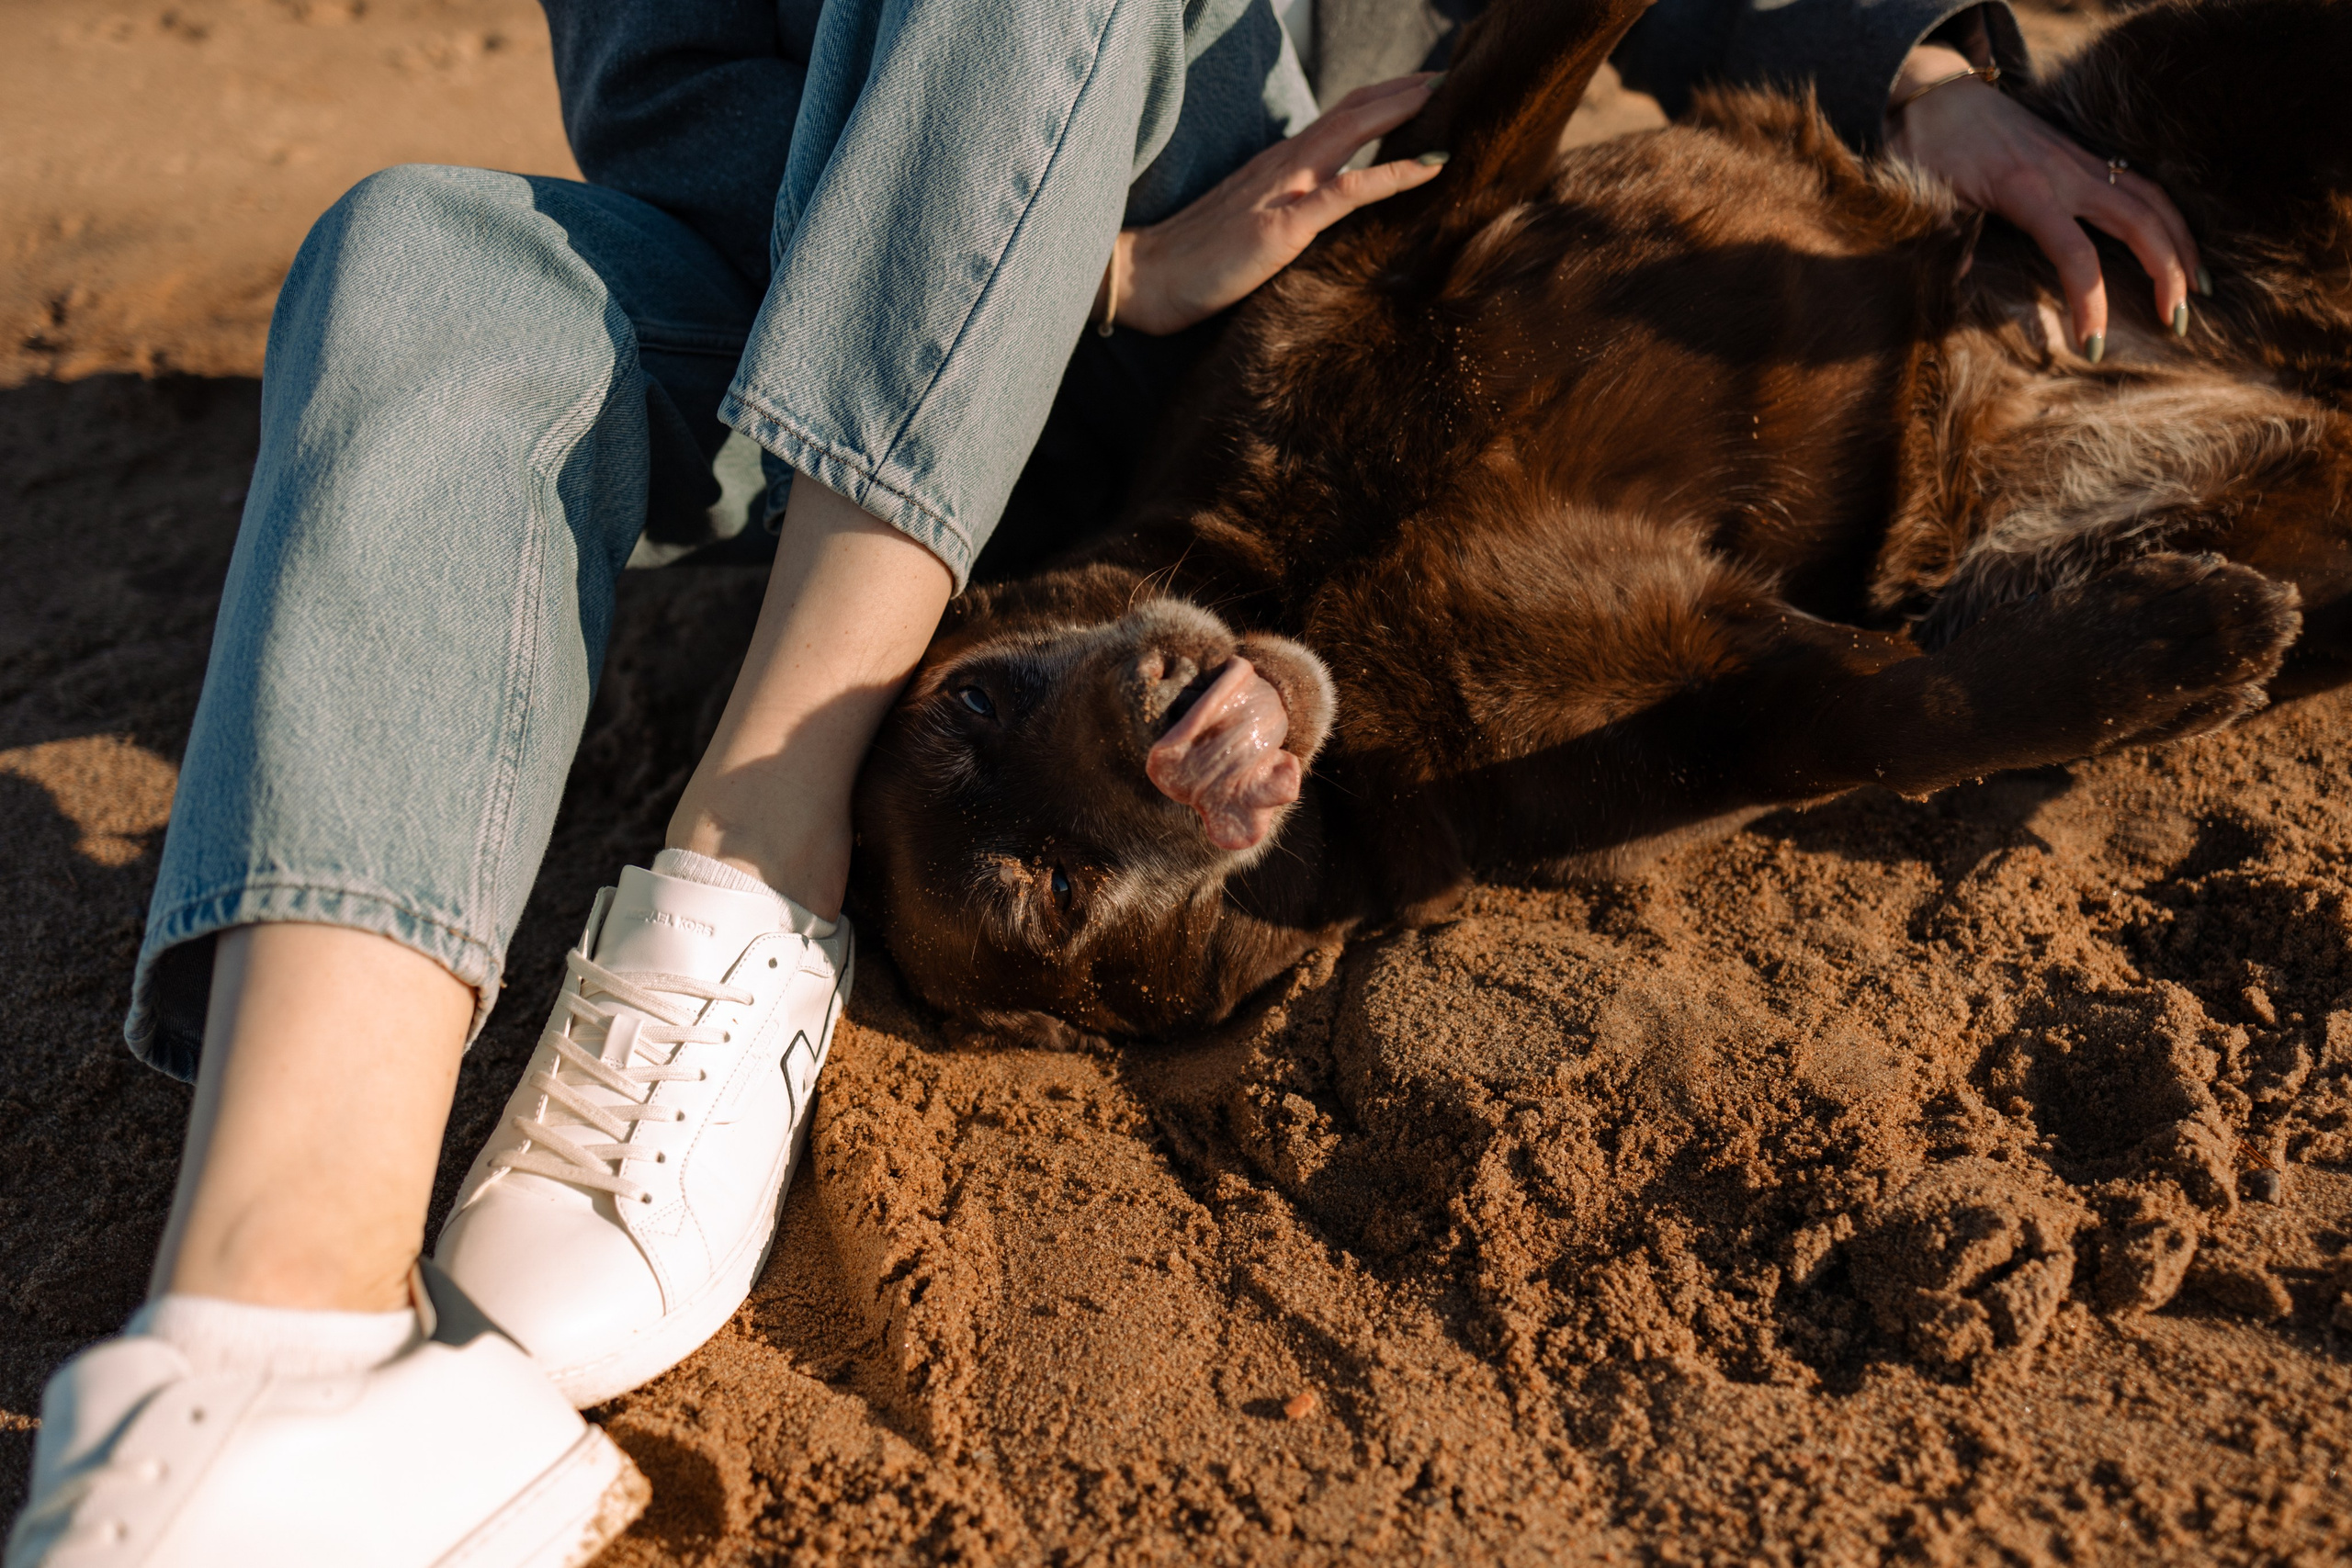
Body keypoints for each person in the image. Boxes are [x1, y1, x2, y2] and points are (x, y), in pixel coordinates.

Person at [6, 1, 2199, 1562]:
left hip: (1257, 368)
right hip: (923, 337)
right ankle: (259, 1351)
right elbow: (681, 129)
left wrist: (1913, 77)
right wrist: (1105, 272)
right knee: (424, 247)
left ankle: (748, 850)